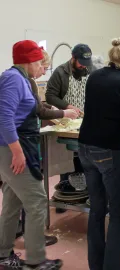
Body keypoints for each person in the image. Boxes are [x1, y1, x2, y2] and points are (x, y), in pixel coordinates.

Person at [78, 38, 120, 270]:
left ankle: (96, 265)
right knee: (117, 212)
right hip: (107, 150)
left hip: (85, 148)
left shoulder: (94, 76)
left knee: (96, 209)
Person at [0, 40, 62, 269]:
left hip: (12, 148)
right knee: (36, 201)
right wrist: (17, 153)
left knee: (12, 203)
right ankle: (36, 261)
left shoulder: (20, 79)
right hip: (12, 150)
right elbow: (4, 119)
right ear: (30, 61)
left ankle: (3, 254)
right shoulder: (13, 79)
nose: (42, 68)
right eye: (40, 63)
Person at [46, 44, 92, 213]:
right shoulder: (60, 73)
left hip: (86, 121)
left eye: (86, 62)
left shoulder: (91, 70)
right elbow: (50, 95)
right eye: (80, 62)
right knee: (67, 159)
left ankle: (84, 193)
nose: (83, 66)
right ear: (73, 58)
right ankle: (65, 195)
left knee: (84, 158)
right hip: (67, 121)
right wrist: (67, 106)